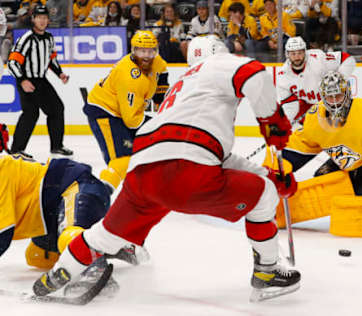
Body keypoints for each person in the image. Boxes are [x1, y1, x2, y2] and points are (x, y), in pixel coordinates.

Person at [33, 35, 301, 303]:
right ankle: (267, 272)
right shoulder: (217, 63)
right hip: (186, 170)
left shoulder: (184, 88)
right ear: (219, 51)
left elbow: (216, 157)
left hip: (144, 171)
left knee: (106, 234)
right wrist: (272, 121)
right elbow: (254, 73)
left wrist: (265, 174)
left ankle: (57, 274)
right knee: (264, 195)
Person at [0, 125, 111, 269]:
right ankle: (105, 243)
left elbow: (4, 232)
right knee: (38, 256)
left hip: (78, 187)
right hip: (52, 213)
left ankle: (98, 264)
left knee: (70, 239)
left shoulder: (2, 171)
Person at [83, 30, 169, 193]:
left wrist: (159, 96)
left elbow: (162, 71)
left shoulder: (155, 61)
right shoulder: (131, 78)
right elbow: (131, 120)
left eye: (151, 50)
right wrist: (156, 123)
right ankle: (97, 193)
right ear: (134, 50)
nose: (147, 55)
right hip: (104, 112)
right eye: (142, 51)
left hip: (123, 112)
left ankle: (145, 188)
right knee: (122, 160)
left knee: (140, 150)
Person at [7, 5, 73, 160]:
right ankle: (16, 150)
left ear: (48, 20)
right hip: (27, 80)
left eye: (45, 18)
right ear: (33, 19)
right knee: (31, 113)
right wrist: (22, 80)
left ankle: (57, 146)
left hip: (41, 80)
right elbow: (12, 63)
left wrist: (60, 73)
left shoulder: (49, 38)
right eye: (39, 18)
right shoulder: (26, 39)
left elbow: (51, 58)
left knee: (57, 109)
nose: (42, 21)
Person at [276, 36, 356, 123]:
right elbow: (289, 106)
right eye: (293, 54)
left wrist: (340, 78)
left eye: (300, 53)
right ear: (287, 54)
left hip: (332, 101)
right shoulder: (283, 76)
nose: (297, 57)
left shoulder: (318, 58)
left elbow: (347, 59)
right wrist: (284, 124)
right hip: (310, 107)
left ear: (305, 52)